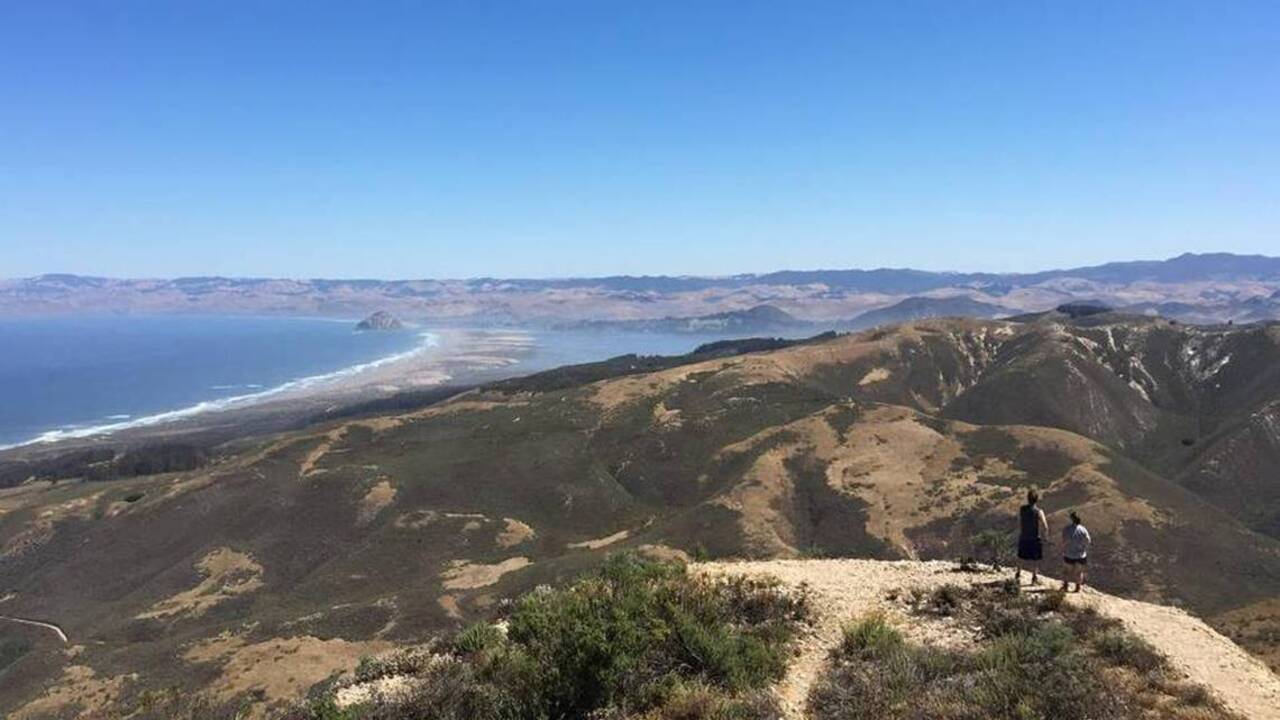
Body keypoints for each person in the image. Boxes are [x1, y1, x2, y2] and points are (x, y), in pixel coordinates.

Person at [1015, 489, 1049, 585]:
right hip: (1035, 538)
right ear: (1036, 500)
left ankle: (1017, 574)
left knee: (1021, 557)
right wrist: (1046, 537)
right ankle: (1034, 578)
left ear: (1028, 499)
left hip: (1024, 537)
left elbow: (1019, 521)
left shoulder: (1022, 509)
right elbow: (1045, 526)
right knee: (1035, 559)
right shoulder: (1039, 512)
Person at [1061, 510, 1092, 592]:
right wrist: (1084, 547)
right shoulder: (1083, 529)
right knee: (1078, 573)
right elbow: (1088, 540)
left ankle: (1065, 586)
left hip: (1069, 554)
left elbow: (1064, 541)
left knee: (1066, 571)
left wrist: (1063, 549)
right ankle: (1077, 588)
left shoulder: (1067, 529)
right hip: (1080, 555)